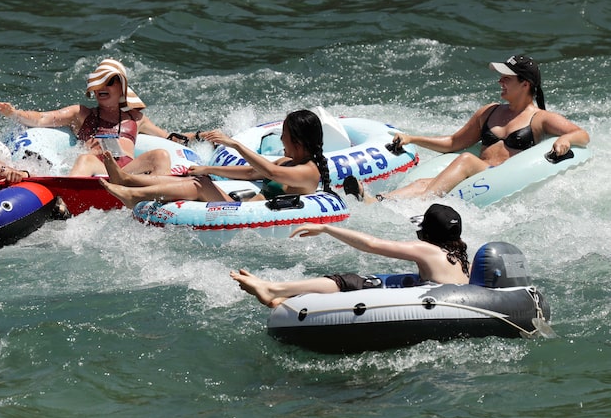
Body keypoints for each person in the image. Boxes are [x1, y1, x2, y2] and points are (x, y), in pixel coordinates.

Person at [344, 55, 590, 202]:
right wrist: (412, 138)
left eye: (507, 78)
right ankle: (375, 200)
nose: (499, 82)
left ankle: (424, 204)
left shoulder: (540, 118)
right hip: (477, 176)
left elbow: (582, 134)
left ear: (525, 84)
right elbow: (453, 142)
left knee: (464, 160)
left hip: (500, 176)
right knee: (420, 183)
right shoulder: (489, 111)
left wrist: (566, 140)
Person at [230, 203, 469, 307]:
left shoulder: (429, 250)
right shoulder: (461, 255)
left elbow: (371, 244)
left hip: (430, 308)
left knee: (348, 281)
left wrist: (325, 228)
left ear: (426, 233)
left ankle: (273, 289)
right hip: (451, 306)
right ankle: (281, 298)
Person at [0, 58, 201, 177]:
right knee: (86, 159)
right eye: (99, 84)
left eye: (110, 82)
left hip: (127, 171)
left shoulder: (135, 117)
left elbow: (168, 137)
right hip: (99, 167)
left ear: (122, 88)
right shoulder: (82, 113)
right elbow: (40, 119)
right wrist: (15, 113)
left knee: (160, 155)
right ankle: (65, 201)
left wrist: (199, 137)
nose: (103, 87)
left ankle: (157, 201)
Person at [99, 109, 334, 208]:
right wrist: (208, 168)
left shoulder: (308, 171)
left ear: (299, 142)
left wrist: (235, 145)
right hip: (241, 207)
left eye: (284, 136)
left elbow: (272, 174)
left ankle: (133, 196)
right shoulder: (288, 162)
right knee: (194, 179)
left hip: (247, 215)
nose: (281, 141)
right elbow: (252, 173)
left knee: (199, 186)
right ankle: (126, 179)